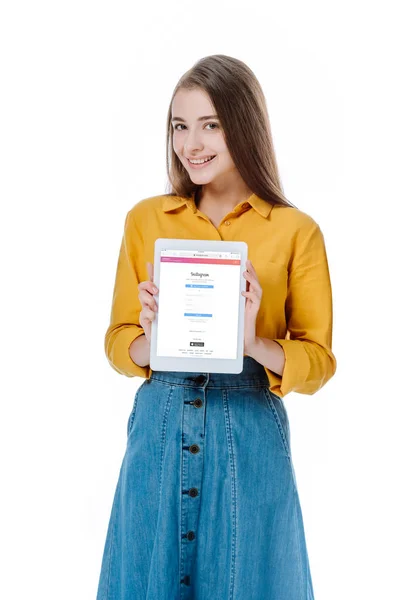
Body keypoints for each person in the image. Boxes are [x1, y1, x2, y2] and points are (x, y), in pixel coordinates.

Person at [96, 54, 337, 600]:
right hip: (160, 421)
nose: (191, 144)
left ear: (244, 126)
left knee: (248, 580)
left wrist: (253, 343)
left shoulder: (297, 231)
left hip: (248, 424)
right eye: (180, 126)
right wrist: (149, 343)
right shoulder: (146, 220)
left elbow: (319, 360)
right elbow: (116, 340)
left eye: (211, 125)